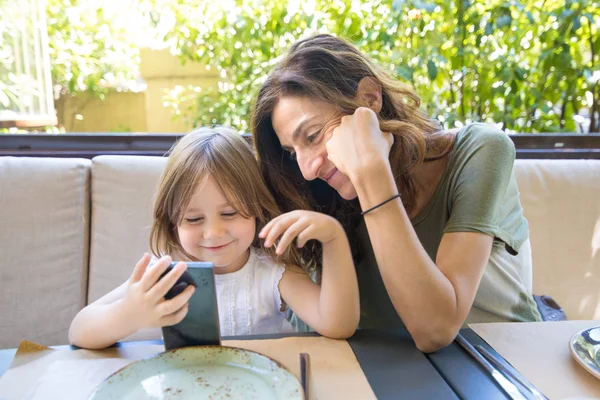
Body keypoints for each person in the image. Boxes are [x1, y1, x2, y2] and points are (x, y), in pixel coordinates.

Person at [252, 34, 542, 353]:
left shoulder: (481, 150)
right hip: (390, 373)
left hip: (507, 366)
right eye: (293, 153)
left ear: (370, 99)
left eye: (312, 135)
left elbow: (435, 329)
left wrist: (372, 173)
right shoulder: (321, 196)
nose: (307, 169)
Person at [69, 127, 359, 349]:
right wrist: (128, 314)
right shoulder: (167, 274)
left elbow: (338, 325)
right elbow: (79, 331)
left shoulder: (272, 271)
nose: (214, 233)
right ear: (172, 223)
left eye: (230, 213)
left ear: (257, 209)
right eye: (194, 219)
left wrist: (333, 238)